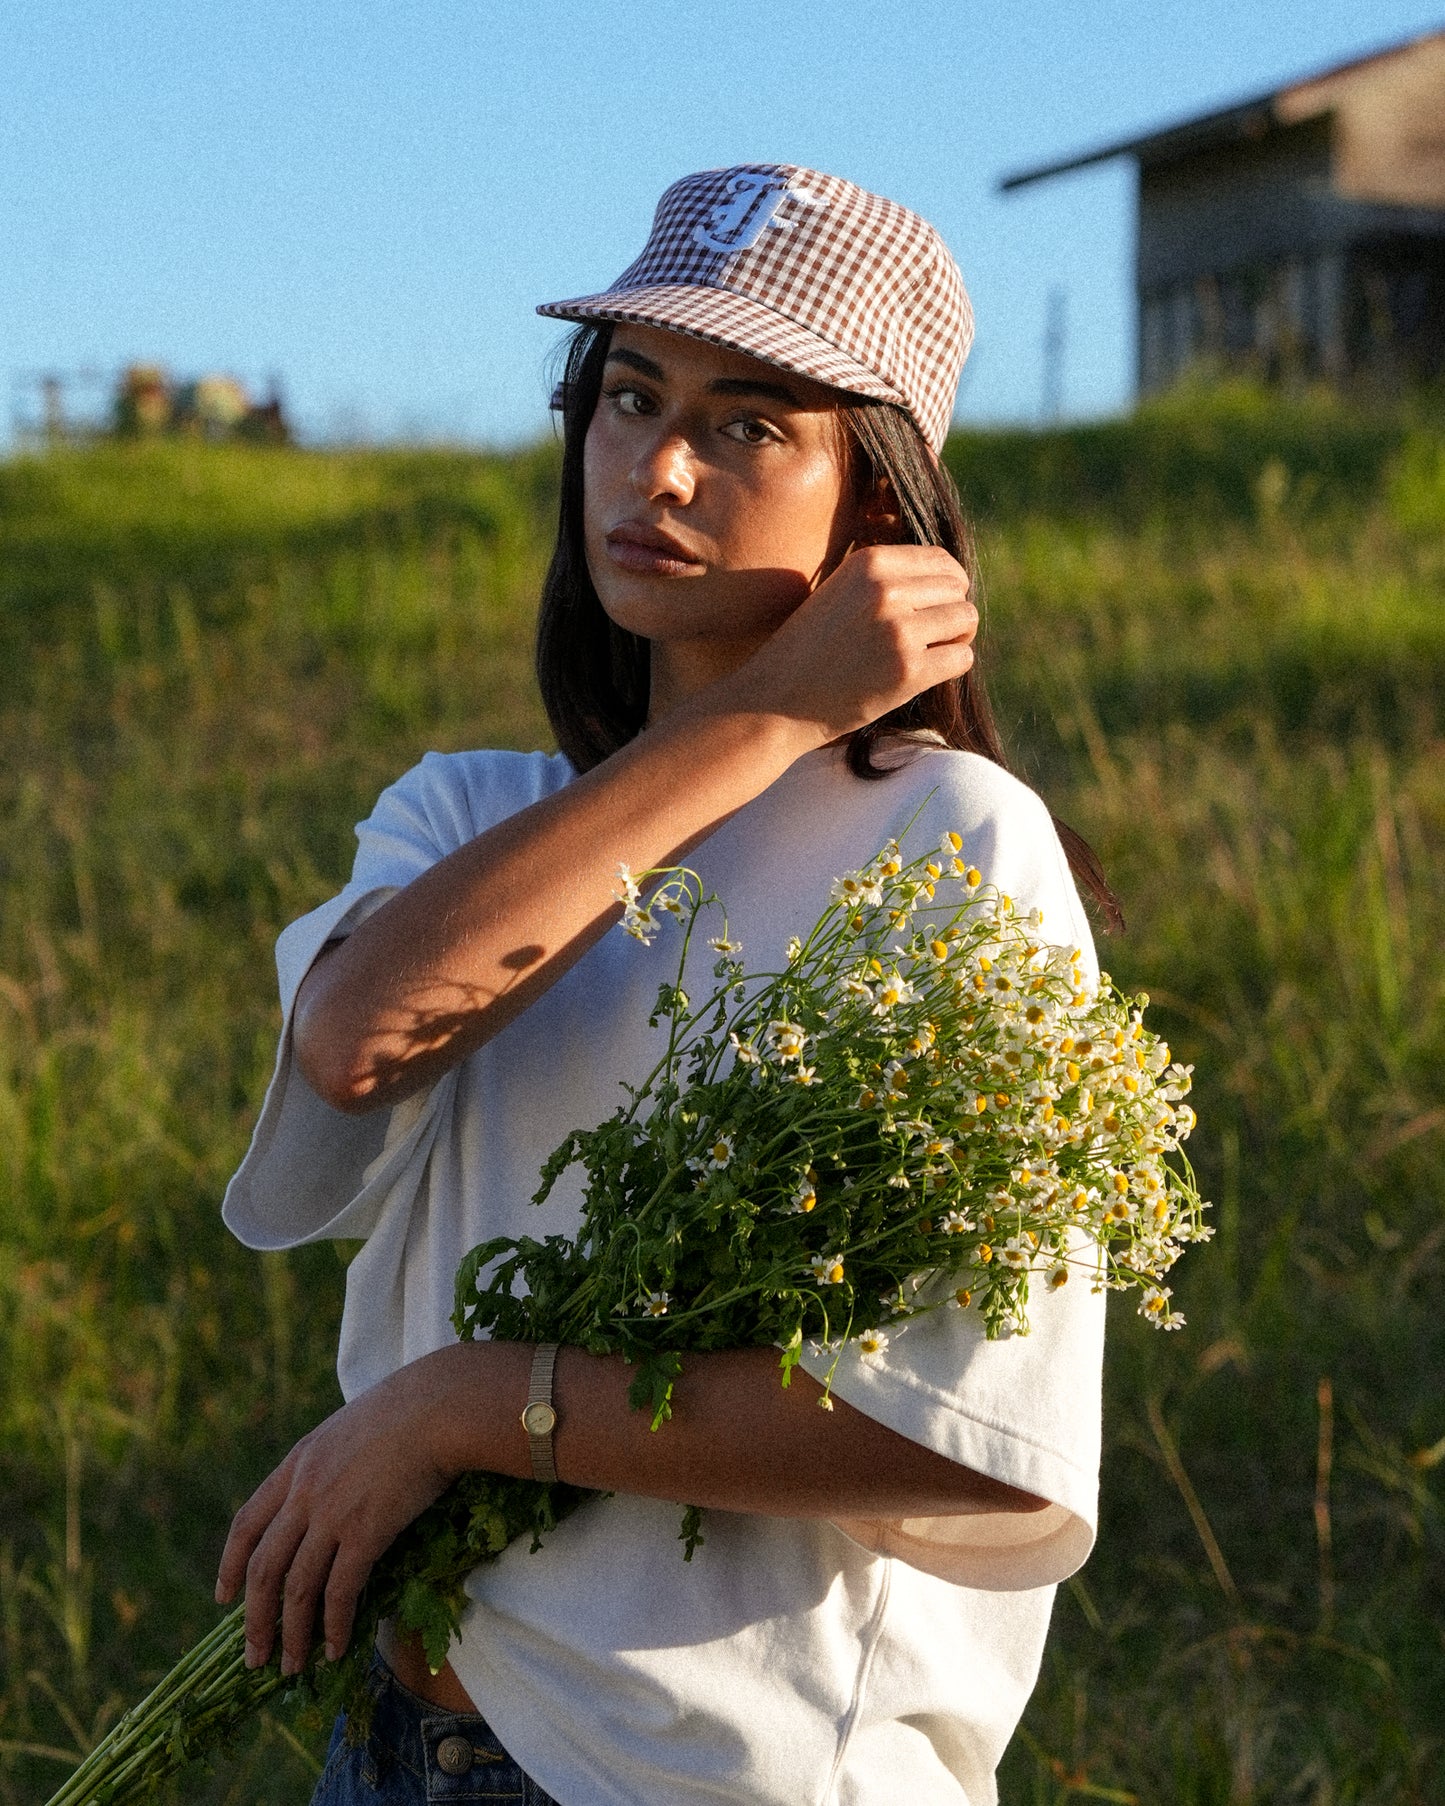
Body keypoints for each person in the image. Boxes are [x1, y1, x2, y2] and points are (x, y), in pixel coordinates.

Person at [217, 164, 1118, 1806]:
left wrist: (471, 1407)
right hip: (401, 1744)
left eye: (752, 422)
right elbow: (356, 1041)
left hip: (703, 1776)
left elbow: (961, 1436)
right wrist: (756, 714)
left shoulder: (947, 841)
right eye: (629, 396)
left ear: (877, 499)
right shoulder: (468, 814)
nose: (661, 464)